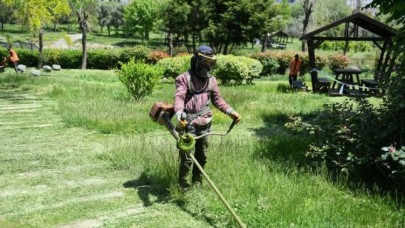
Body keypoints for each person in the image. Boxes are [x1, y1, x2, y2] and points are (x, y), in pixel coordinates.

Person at [174, 45, 241, 191]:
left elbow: (218, 100)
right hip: (188, 124)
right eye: (204, 61)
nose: (207, 65)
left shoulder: (212, 80)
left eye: (210, 62)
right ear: (196, 60)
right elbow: (179, 96)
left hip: (205, 125)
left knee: (202, 157)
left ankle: (197, 184)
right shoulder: (184, 78)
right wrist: (179, 113)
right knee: (187, 159)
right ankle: (183, 189)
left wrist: (231, 112)